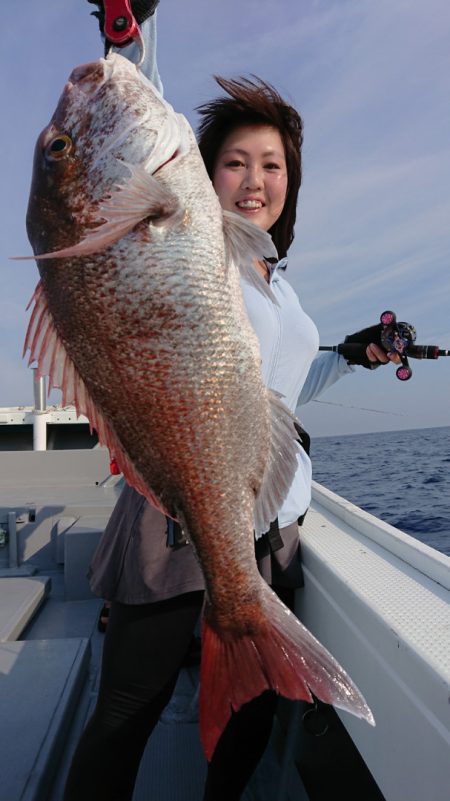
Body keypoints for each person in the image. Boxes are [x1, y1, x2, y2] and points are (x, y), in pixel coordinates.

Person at [63, 4, 398, 800]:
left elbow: (279, 390)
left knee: (250, 714)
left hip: (269, 532)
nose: (254, 181)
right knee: (126, 711)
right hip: (175, 511)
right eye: (236, 163)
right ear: (200, 174)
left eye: (272, 165)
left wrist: (351, 355)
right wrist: (127, 35)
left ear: (292, 181)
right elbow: (125, 144)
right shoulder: (190, 243)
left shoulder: (275, 281)